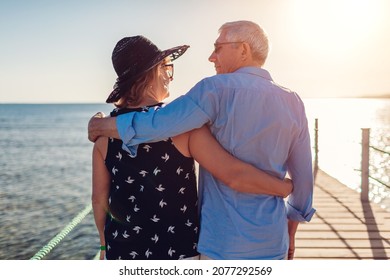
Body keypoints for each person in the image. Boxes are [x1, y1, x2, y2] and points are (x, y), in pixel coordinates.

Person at [89, 21, 316, 260]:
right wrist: (290, 215)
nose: (211, 56)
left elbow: (159, 124)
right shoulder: (293, 101)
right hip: (264, 240)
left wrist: (101, 124)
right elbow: (302, 176)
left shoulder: (213, 90)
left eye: (218, 48)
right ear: (153, 73)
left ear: (243, 50)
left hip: (213, 244)